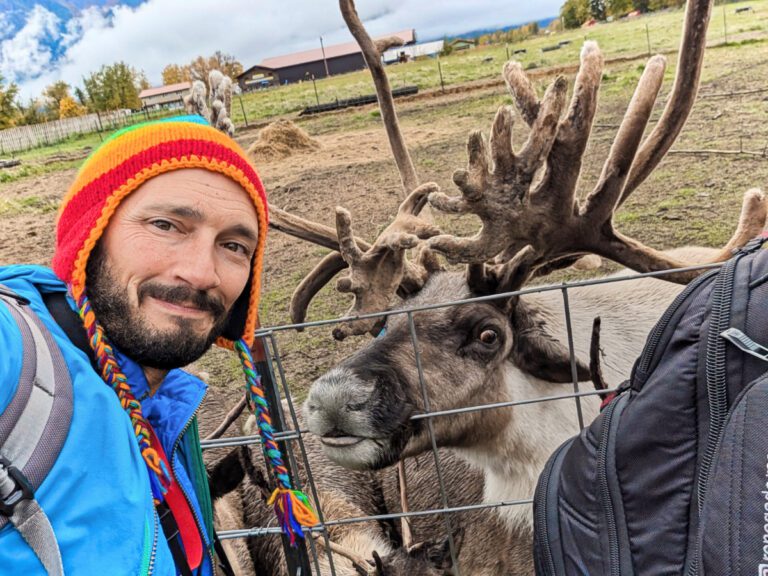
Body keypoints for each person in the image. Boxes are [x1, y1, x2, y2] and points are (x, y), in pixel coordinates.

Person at [0, 115, 282, 575]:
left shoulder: (166, 406)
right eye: (166, 225)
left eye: (233, 246)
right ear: (91, 235)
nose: (202, 273)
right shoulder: (17, 352)